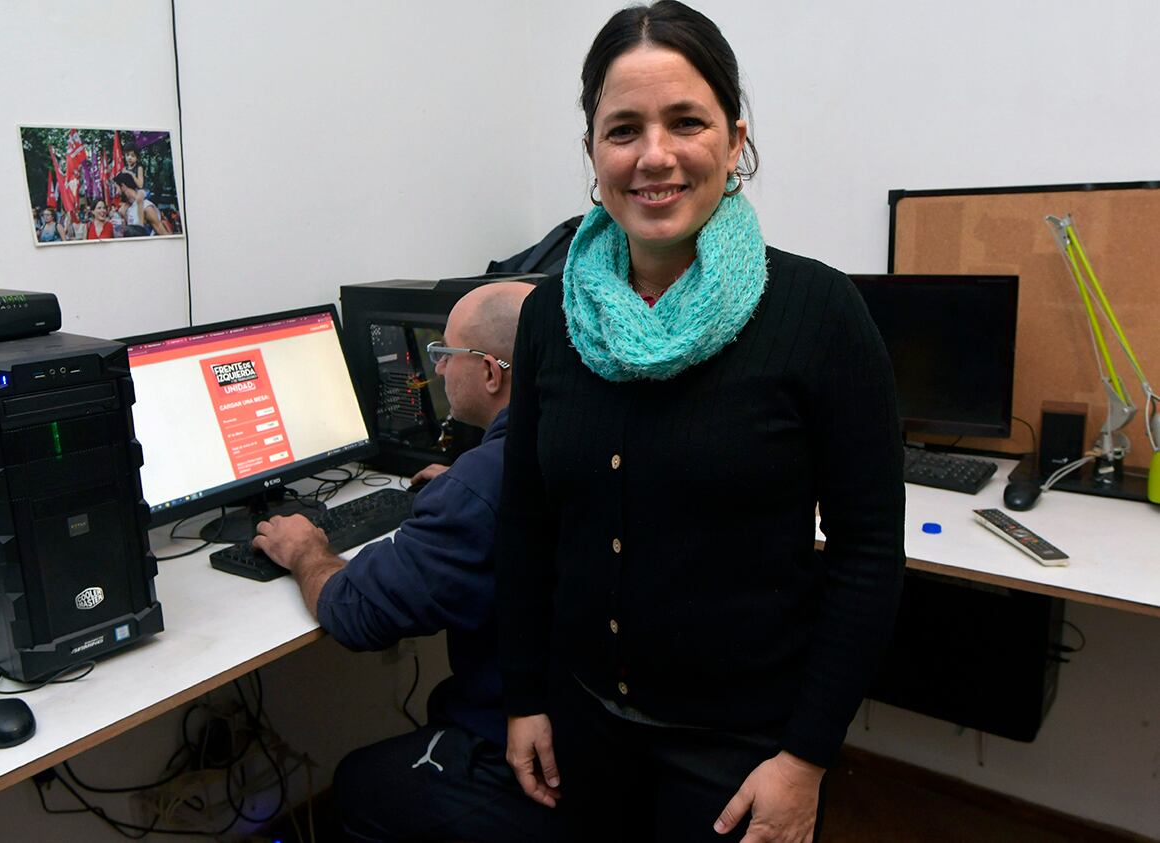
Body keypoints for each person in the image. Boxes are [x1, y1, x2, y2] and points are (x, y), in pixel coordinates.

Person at [496, 3, 906, 842]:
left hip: (742, 750)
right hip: (583, 726)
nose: (655, 156)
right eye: (623, 130)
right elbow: (528, 525)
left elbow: (868, 556)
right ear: (591, 153)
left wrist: (805, 758)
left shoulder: (819, 312)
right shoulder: (550, 320)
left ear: (733, 138)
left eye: (687, 122)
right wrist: (524, 697)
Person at [253, 282, 568, 843]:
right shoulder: (577, 439)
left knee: (357, 785)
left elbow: (354, 612)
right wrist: (468, 488)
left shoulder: (485, 482)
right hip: (588, 738)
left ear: (492, 374)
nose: (438, 371)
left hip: (522, 752)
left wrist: (304, 549)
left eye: (445, 356)